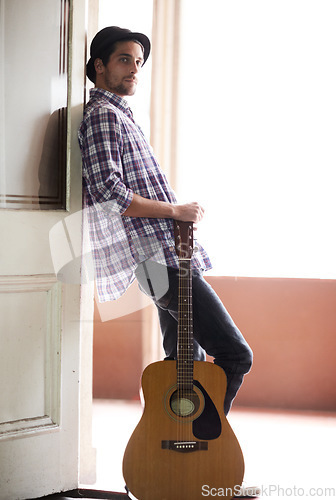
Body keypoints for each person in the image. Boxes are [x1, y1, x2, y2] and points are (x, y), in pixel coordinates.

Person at [78, 26, 253, 415]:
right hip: (158, 260)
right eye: (125, 60)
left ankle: (165, 457)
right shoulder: (104, 116)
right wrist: (175, 211)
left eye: (138, 62)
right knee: (235, 354)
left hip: (166, 256)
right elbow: (109, 194)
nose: (135, 69)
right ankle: (202, 446)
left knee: (182, 364)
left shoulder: (123, 118)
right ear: (99, 65)